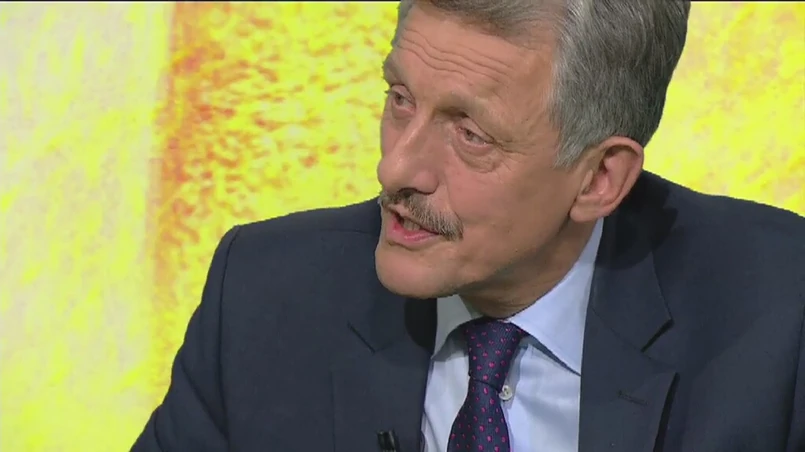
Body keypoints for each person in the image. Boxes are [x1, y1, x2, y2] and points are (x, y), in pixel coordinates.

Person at [132, 0, 805, 451]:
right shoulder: (265, 295)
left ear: (599, 178)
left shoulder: (779, 319)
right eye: (400, 100)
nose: (396, 168)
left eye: (471, 134)